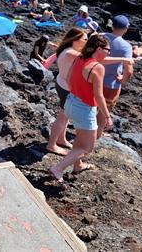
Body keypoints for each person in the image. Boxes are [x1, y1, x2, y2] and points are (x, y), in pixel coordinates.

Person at [49, 34, 113, 182]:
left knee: (80, 138)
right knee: (87, 147)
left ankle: (78, 165)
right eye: (108, 50)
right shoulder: (97, 67)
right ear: (99, 49)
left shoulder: (79, 58)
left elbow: (69, 78)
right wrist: (107, 117)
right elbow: (99, 96)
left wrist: (78, 92)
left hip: (71, 102)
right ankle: (58, 169)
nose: (109, 53)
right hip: (84, 109)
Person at [44, 28, 87, 156]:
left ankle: (61, 139)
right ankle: (51, 145)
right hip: (66, 89)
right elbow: (94, 58)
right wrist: (123, 59)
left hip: (62, 84)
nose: (87, 41)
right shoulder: (71, 53)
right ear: (76, 40)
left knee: (66, 116)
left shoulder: (67, 49)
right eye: (85, 39)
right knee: (62, 118)